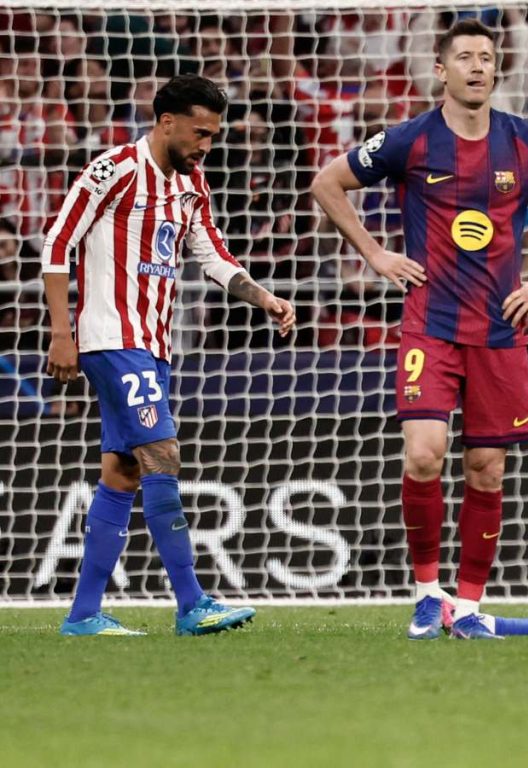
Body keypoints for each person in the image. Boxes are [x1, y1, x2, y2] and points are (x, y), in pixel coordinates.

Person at [311, 19, 528, 640]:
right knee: (423, 456)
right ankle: (427, 594)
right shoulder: (412, 140)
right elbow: (328, 183)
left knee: (486, 471)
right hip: (430, 326)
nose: (477, 66)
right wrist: (375, 254)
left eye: (487, 58)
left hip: (500, 333)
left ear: (497, 71)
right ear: (440, 70)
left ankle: (468, 606)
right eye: (465, 57)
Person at [41, 74, 296, 637]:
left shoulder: (191, 185)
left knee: (124, 470)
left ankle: (83, 614)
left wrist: (264, 297)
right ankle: (192, 603)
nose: (207, 145)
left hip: (153, 347)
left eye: (213, 136)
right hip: (112, 338)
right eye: (200, 133)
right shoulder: (114, 170)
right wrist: (63, 333)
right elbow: (58, 242)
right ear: (166, 122)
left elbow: (214, 257)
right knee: (162, 454)